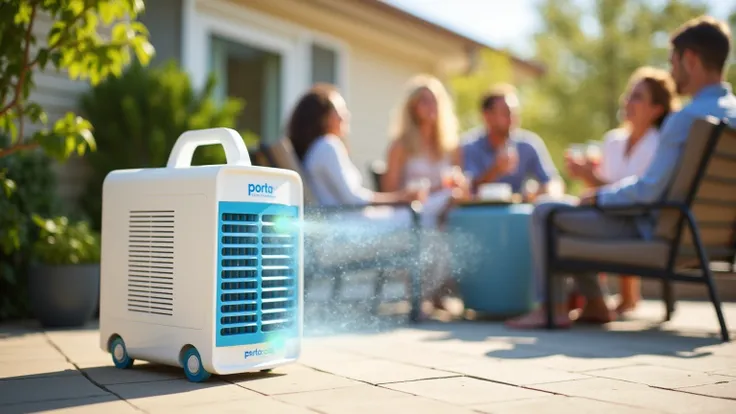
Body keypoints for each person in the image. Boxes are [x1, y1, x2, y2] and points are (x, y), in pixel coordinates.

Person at [507, 15, 736, 329]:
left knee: (546, 212)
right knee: (566, 213)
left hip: (653, 227)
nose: (672, 72)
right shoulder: (731, 117)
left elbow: (648, 192)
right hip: (704, 236)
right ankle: (596, 304)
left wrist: (598, 196)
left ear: (690, 59)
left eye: (673, 62)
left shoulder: (685, 120)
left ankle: (552, 308)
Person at [565, 66, 680, 314]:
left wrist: (593, 184)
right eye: (629, 94)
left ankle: (603, 300)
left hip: (640, 219)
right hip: (616, 212)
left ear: (656, 109)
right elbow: (608, 189)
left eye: (638, 96)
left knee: (561, 217)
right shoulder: (613, 141)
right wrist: (587, 175)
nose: (627, 100)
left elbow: (636, 195)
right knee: (575, 212)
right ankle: (602, 300)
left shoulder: (660, 145)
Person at [381, 74, 468, 310]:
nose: (431, 107)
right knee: (441, 217)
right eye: (424, 101)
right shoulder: (400, 146)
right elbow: (390, 192)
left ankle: (443, 291)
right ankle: (427, 294)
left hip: (445, 208)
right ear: (412, 107)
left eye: (435, 101)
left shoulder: (451, 145)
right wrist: (431, 191)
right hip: (413, 210)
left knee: (457, 207)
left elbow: (458, 180)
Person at [460, 83, 563, 199]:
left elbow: (553, 181)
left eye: (515, 113)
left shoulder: (528, 144)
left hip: (519, 215)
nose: (513, 119)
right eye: (507, 113)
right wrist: (495, 170)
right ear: (487, 116)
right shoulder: (470, 145)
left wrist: (542, 191)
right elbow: (467, 189)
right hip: (480, 214)